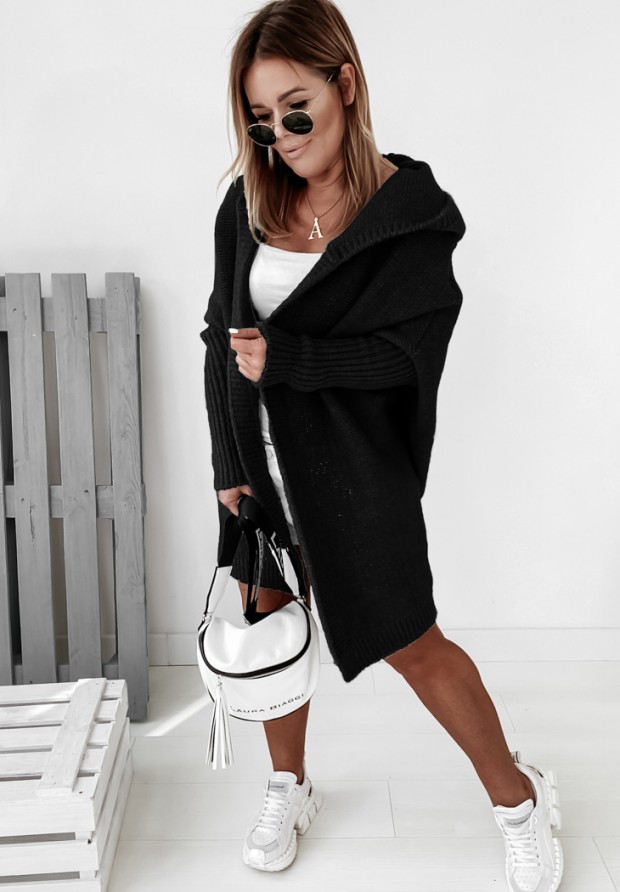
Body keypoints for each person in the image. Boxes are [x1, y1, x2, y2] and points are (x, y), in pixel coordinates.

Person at [200, 1, 564, 889]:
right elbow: (220, 336)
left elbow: (407, 355)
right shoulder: (247, 203)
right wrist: (228, 465)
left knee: (412, 640)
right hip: (263, 466)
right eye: (262, 120)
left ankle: (520, 800)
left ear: (347, 84)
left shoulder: (410, 217)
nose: (282, 138)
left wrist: (293, 360)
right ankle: (289, 785)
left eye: (297, 111)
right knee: (270, 624)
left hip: (355, 471)